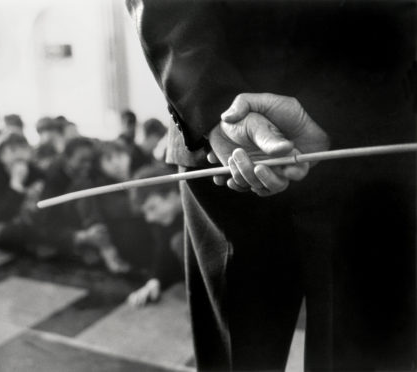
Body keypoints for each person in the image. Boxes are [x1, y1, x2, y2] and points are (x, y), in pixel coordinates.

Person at [127, 1, 416, 371]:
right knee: (238, 355)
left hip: (373, 134)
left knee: (368, 349)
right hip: (227, 144)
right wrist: (213, 107)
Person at [75, 141, 154, 274]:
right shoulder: (99, 188)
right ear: (100, 165)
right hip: (127, 249)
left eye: (120, 156)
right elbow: (130, 209)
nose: (116, 163)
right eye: (108, 159)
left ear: (128, 156)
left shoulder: (142, 176)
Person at [127, 164, 184, 307]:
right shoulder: (164, 222)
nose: (149, 218)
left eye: (152, 208)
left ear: (172, 195)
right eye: (145, 212)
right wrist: (155, 280)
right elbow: (163, 252)